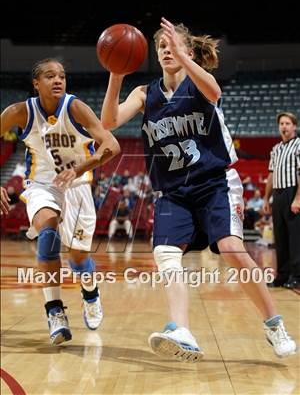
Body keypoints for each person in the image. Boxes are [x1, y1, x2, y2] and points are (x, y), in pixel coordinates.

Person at [100, 18, 297, 361]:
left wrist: (184, 56)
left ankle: (273, 324)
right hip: (173, 192)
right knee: (165, 253)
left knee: (233, 249)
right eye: (161, 47)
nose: (166, 51)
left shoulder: (198, 83)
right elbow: (108, 123)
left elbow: (215, 92)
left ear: (188, 51)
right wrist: (117, 74)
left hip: (214, 182)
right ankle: (182, 329)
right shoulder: (145, 94)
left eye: (172, 45)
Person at [0, 58, 120, 345]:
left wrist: (79, 168)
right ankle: (55, 312)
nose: (58, 80)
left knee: (78, 258)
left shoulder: (75, 107)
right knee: (48, 236)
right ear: (36, 83)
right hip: (41, 184)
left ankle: (90, 293)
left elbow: (111, 146)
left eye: (62, 76)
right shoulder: (19, 112)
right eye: (50, 76)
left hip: (77, 185)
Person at [263, 112, 300, 289]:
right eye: (281, 124)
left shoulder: (299, 144)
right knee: (280, 236)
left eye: (287, 123)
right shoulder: (276, 148)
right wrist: (266, 198)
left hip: (293, 192)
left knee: (295, 237)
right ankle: (283, 275)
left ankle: (297, 276)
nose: (284, 126)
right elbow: (271, 174)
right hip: (277, 194)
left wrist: (298, 198)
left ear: (294, 126)